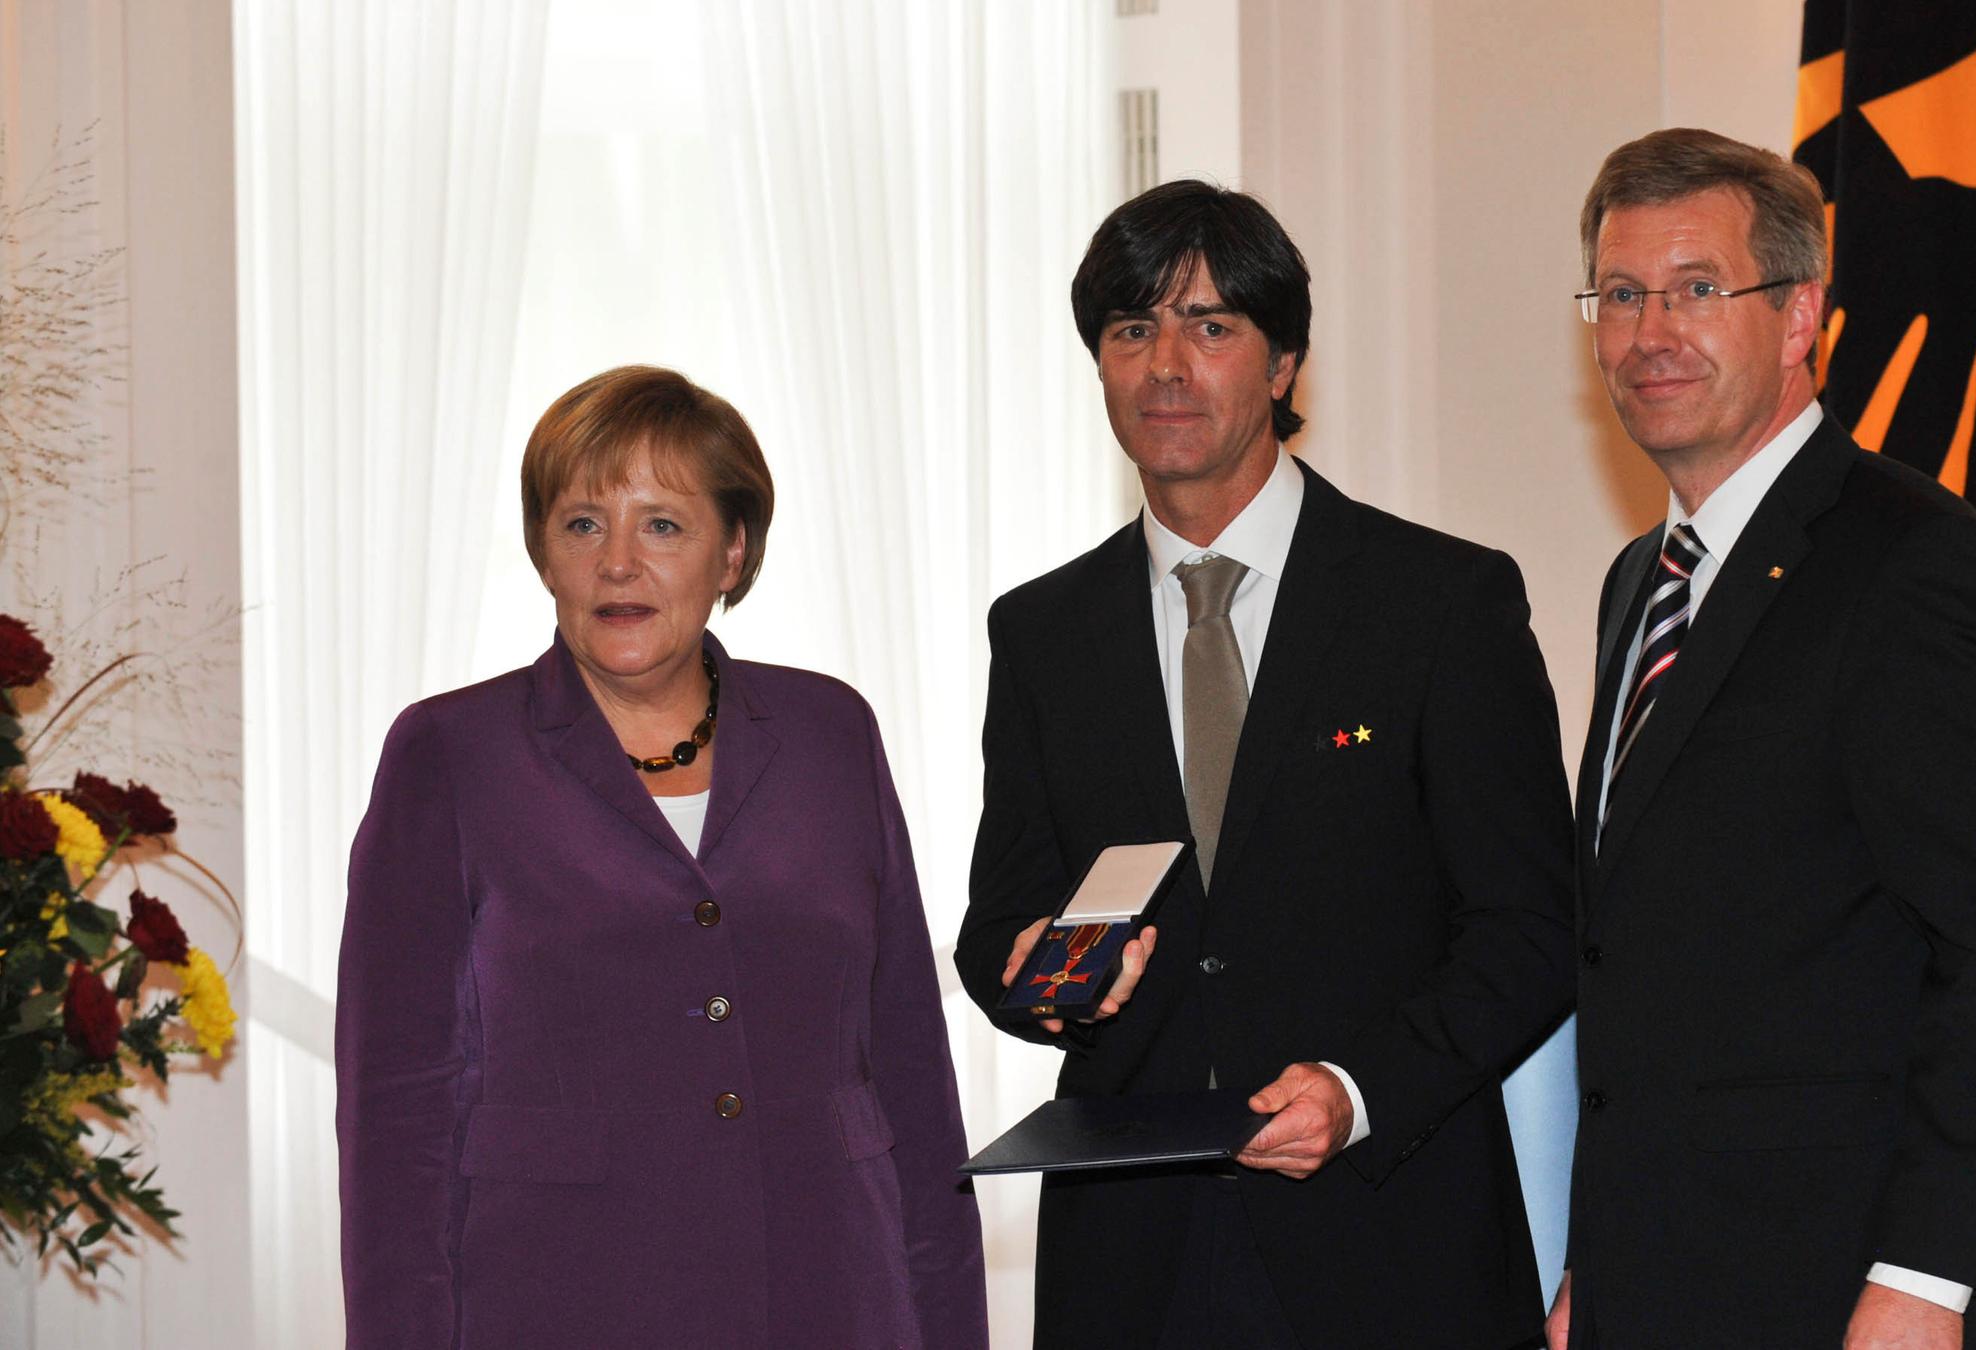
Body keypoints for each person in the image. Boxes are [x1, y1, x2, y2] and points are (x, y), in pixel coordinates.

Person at [955, 179, 1578, 1350]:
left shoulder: (1441, 604)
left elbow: (1531, 929)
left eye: (1211, 325)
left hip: (1389, 1240)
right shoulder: (1041, 632)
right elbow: (1000, 926)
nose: (1166, 367)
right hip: (1131, 1262)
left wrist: (1358, 1092)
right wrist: (1032, 975)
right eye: (1132, 330)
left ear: (1285, 361)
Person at [1547, 130, 1976, 1350]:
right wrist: (1602, 1262)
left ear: (1800, 317)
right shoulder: (1641, 581)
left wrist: (1925, 1282)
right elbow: (1641, 967)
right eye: (1621, 295)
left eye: (1697, 290)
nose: (1650, 334)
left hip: (1856, 1293)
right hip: (1665, 1285)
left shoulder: (1913, 563)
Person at [337, 366, 986, 1349]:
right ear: (544, 555)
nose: (618, 565)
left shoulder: (830, 731)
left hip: (835, 1293)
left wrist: (948, 1325)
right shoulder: (450, 753)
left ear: (732, 551)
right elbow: (397, 1113)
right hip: (559, 1300)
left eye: (664, 526)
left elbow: (908, 1067)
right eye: (583, 524)